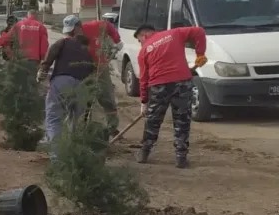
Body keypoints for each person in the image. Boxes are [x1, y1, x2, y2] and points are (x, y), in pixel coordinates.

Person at [134, 24, 207, 168]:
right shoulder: (174, 33)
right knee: (182, 120)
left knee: (153, 121)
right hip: (182, 82)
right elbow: (199, 31)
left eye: (139, 40)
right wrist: (200, 54)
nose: (140, 43)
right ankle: (181, 157)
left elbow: (144, 79)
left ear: (144, 35)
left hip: (159, 85)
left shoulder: (143, 52)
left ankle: (144, 153)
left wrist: (144, 101)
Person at [62, 15, 123, 137]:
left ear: (79, 26)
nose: (71, 34)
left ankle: (112, 127)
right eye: (69, 32)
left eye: (73, 30)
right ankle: (78, 128)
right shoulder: (69, 40)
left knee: (106, 97)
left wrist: (117, 41)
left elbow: (108, 25)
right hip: (82, 69)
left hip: (100, 66)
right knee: (82, 98)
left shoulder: (94, 26)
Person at [37, 32, 95, 144]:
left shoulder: (65, 41)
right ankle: (71, 149)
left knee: (54, 118)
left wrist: (43, 69)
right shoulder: (89, 56)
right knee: (75, 121)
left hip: (61, 82)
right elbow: (91, 82)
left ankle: (56, 153)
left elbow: (52, 51)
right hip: (81, 87)